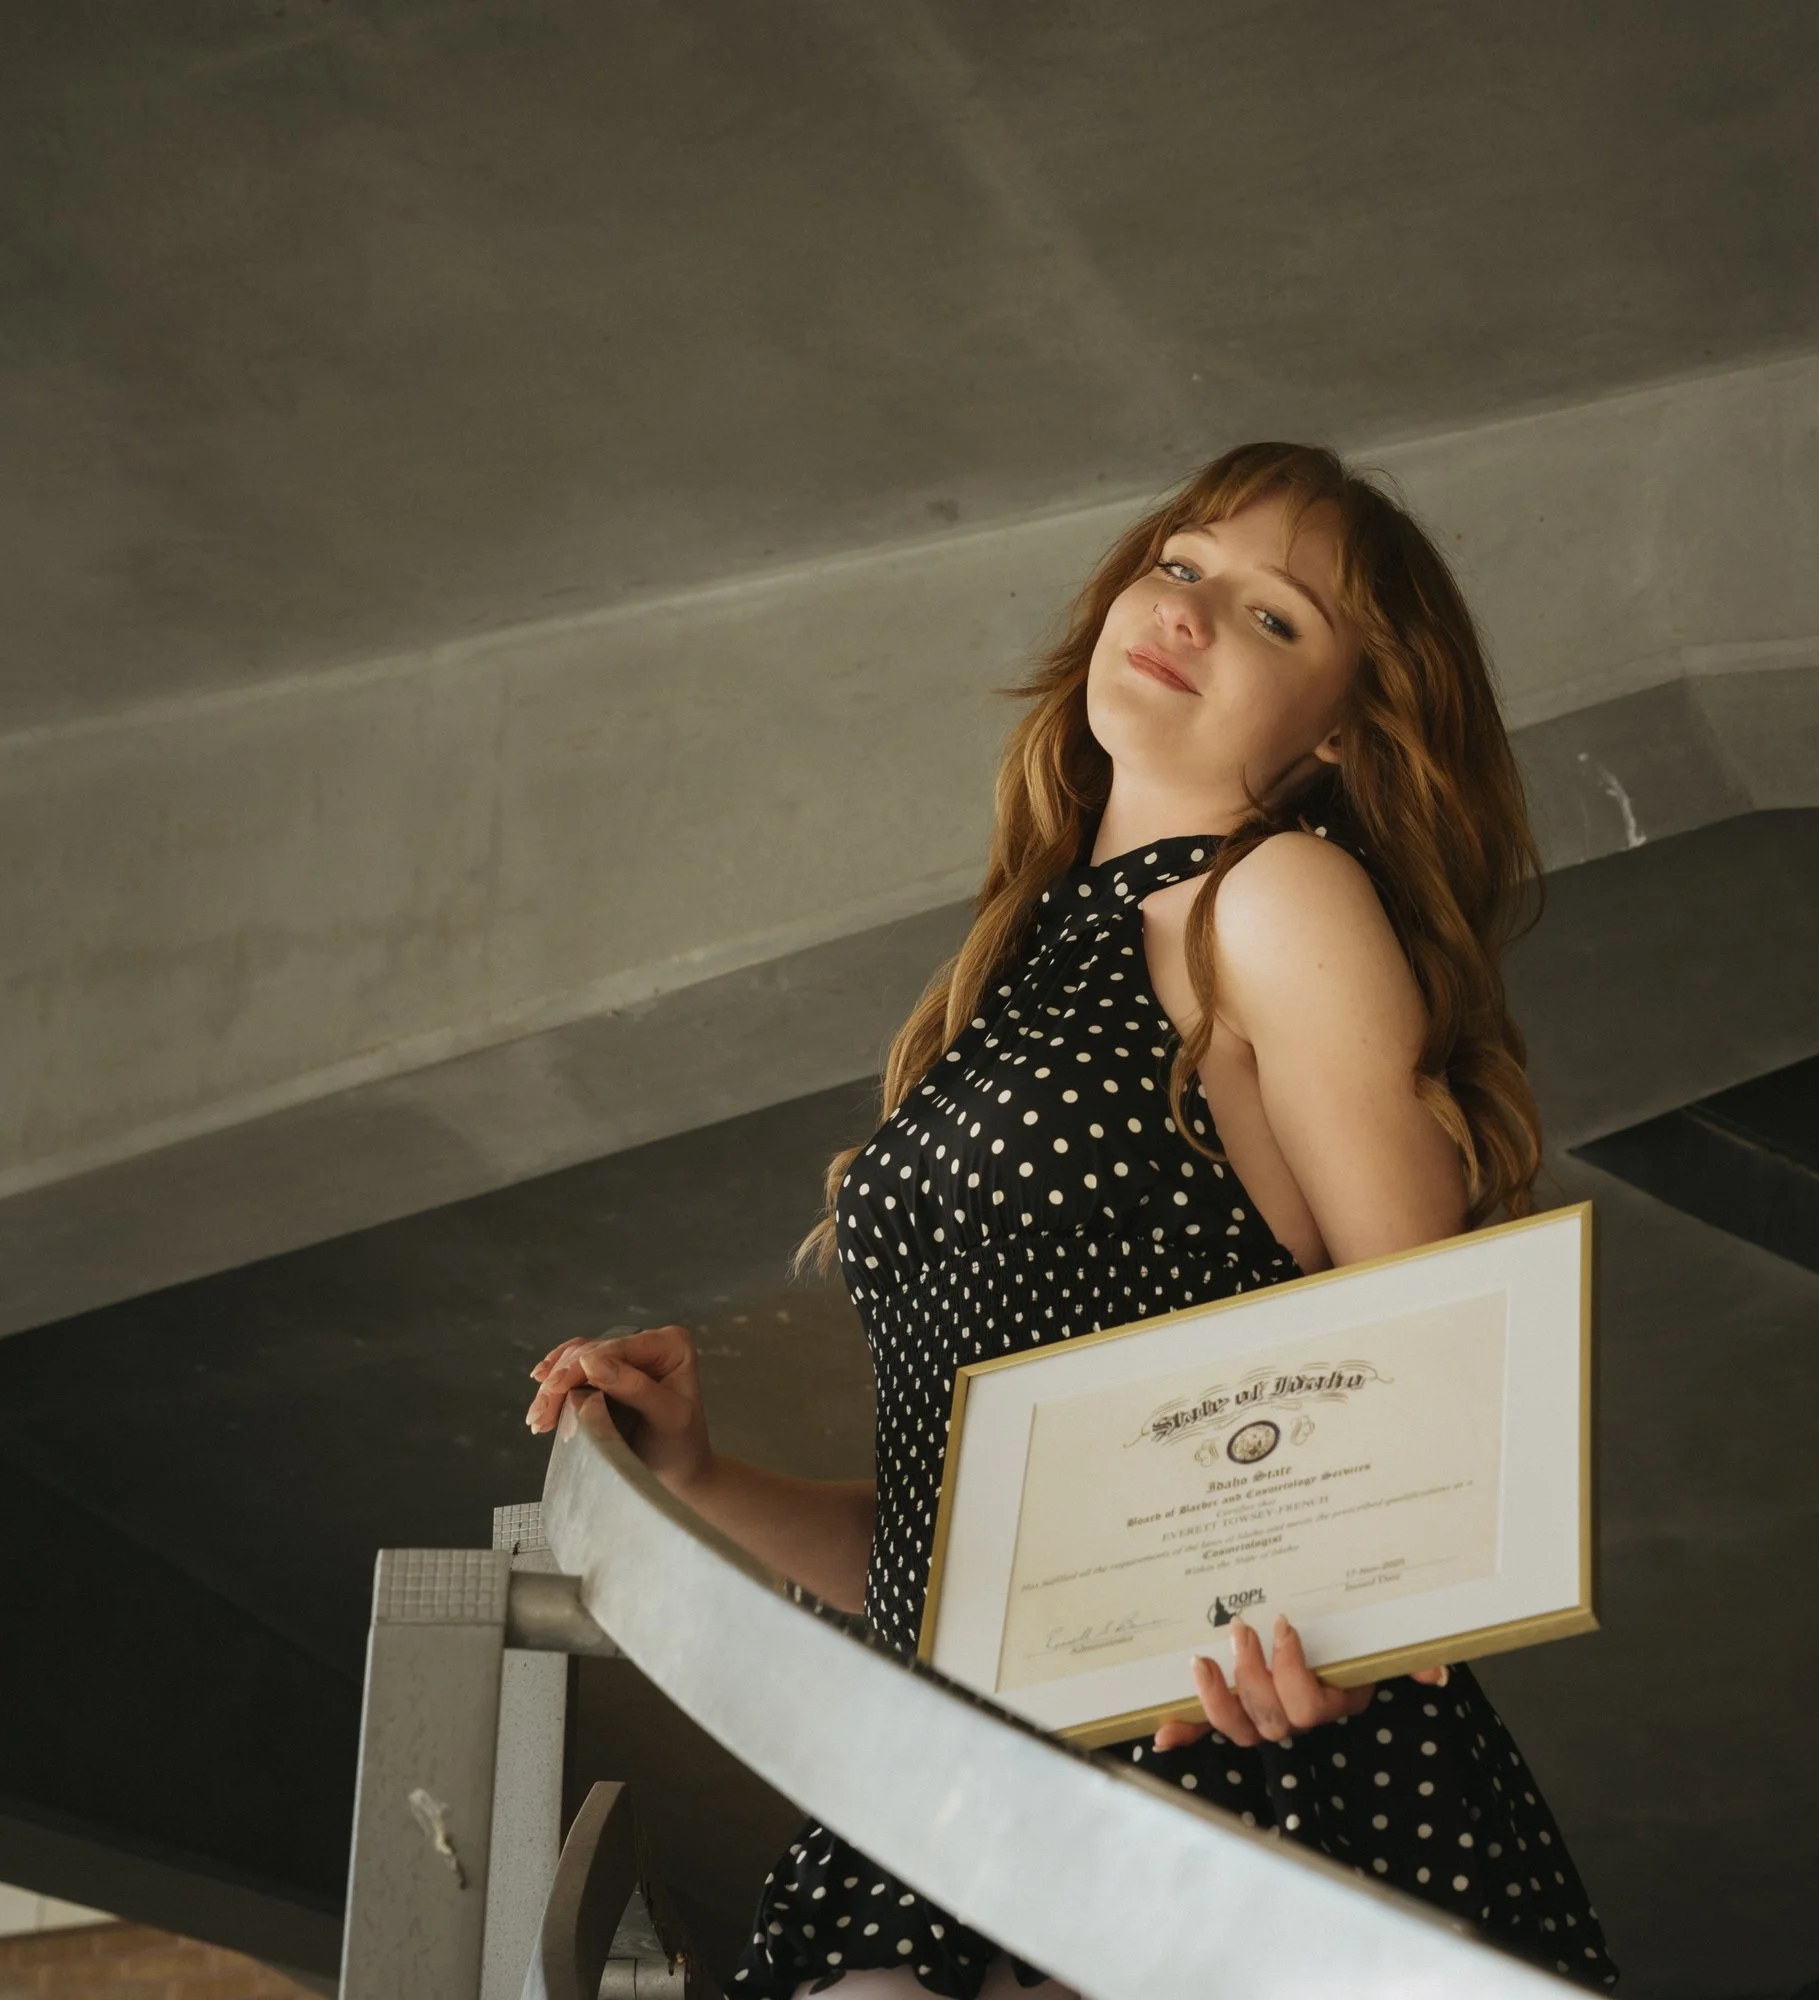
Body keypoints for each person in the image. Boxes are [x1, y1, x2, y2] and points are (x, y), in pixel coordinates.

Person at [524, 444, 1618, 1996]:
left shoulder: (1272, 896)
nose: (1192, 610)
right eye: (1179, 564)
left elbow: (1428, 1407)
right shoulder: (1014, 974)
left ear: (1340, 735)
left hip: (1232, 1792)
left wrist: (1333, 1632)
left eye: (1277, 617)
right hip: (956, 1784)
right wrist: (701, 1476)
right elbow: (968, 1570)